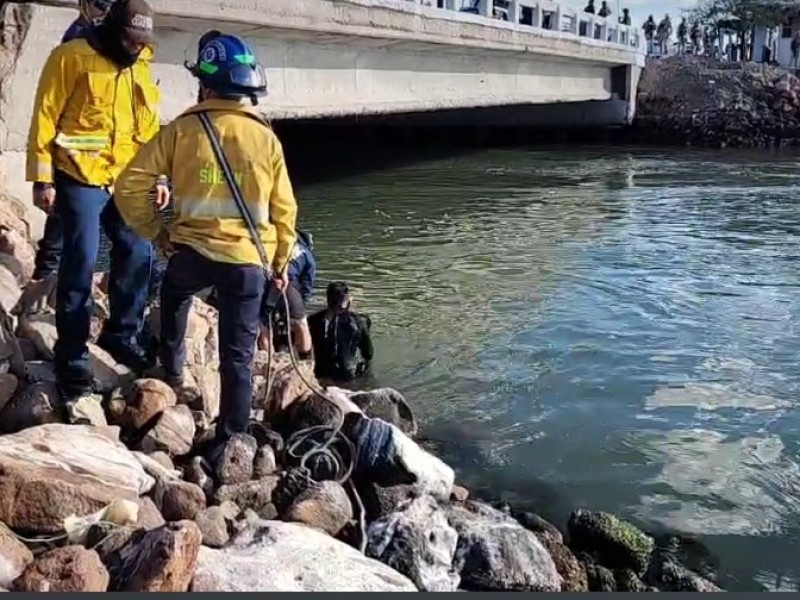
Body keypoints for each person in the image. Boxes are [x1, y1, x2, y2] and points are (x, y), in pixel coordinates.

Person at [114, 32, 298, 444]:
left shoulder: (181, 131)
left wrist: (155, 232)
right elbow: (285, 210)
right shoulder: (265, 138)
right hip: (248, 263)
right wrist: (281, 262)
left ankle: (174, 370)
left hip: (192, 252)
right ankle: (232, 438)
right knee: (239, 356)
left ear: (206, 83)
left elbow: (128, 185)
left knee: (175, 294)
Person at [26, 0, 163, 400]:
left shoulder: (141, 64)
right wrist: (41, 179)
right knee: (81, 260)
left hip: (125, 178)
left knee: (139, 254)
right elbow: (44, 117)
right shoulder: (71, 57)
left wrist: (159, 176)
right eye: (131, 39)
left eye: (143, 42)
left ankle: (121, 334)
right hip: (79, 176)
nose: (137, 47)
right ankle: (71, 357)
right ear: (114, 29)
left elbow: (150, 127)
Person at [260, 229, 315, 357]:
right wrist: (302, 302)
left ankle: (268, 360)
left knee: (263, 323)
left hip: (268, 282)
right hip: (288, 283)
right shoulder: (305, 252)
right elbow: (308, 281)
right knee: (301, 321)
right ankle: (305, 358)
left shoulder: (273, 242)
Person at [308, 282, 373, 383]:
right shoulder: (359, 322)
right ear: (346, 300)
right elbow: (368, 353)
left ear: (328, 299)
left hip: (320, 375)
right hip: (348, 376)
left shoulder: (312, 321)